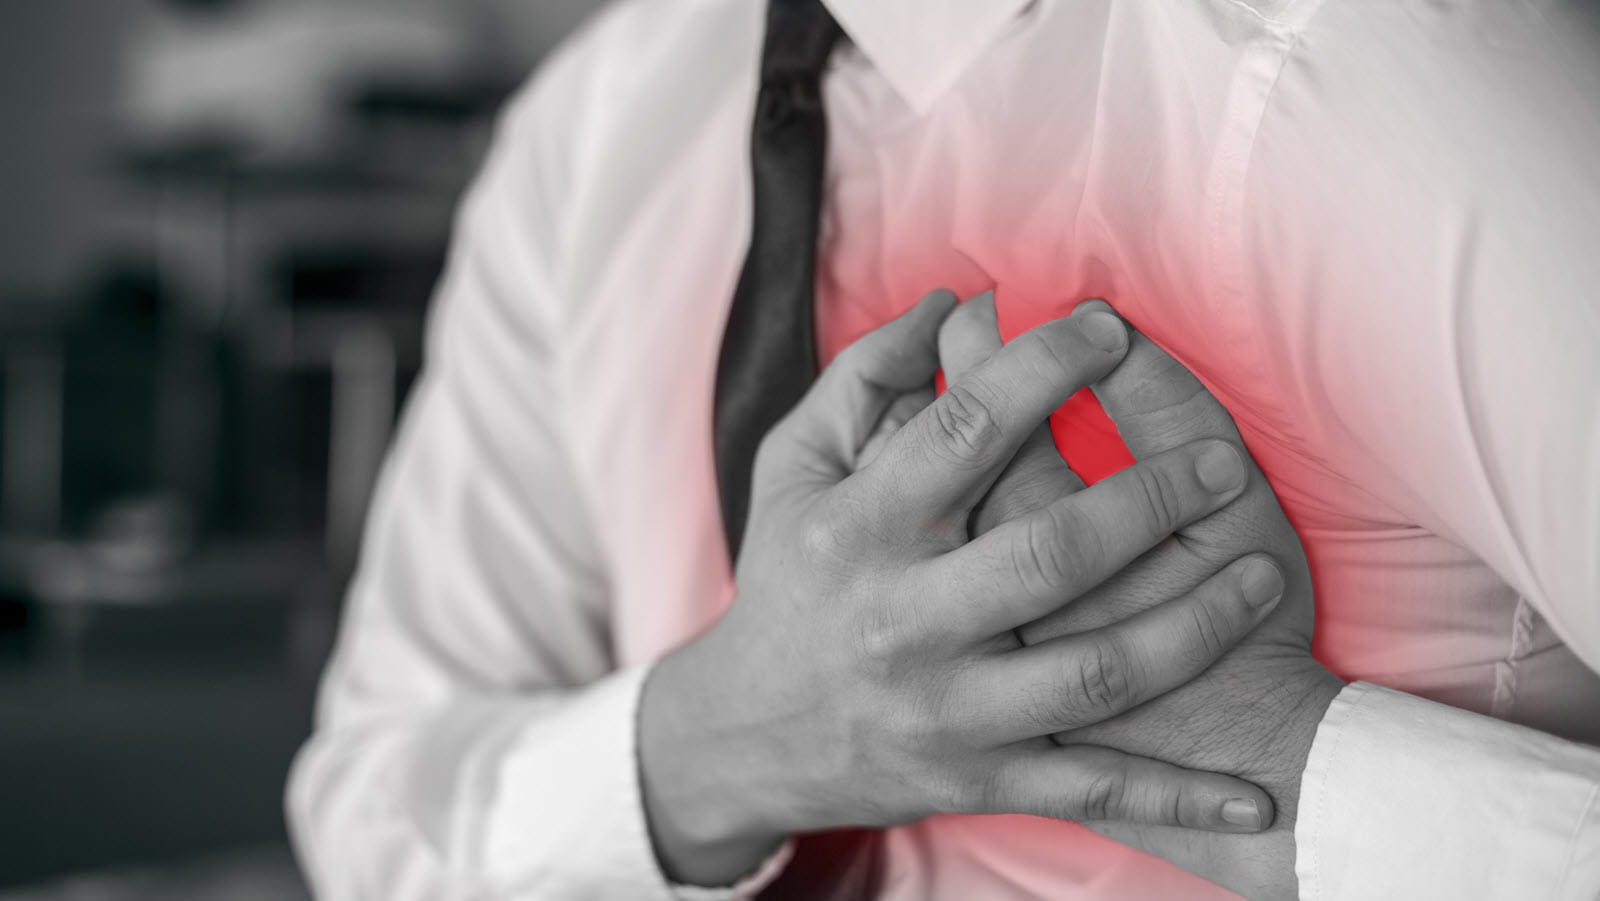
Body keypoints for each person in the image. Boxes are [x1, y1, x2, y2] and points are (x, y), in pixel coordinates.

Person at [286, 0, 1600, 897]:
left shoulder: (1379, 73)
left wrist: (1317, 779)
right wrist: (721, 740)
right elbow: (370, 807)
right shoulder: (596, 124)